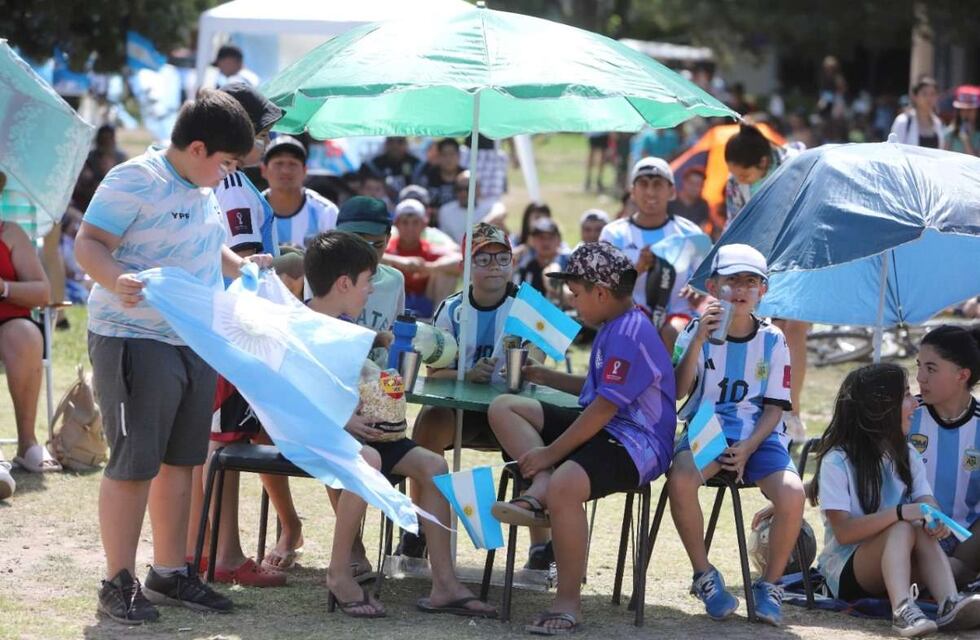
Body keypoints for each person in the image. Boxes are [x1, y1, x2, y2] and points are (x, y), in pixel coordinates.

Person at [74, 91, 263, 624]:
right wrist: (117, 279)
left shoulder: (204, 188)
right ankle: (117, 581)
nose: (228, 174)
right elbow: (87, 244)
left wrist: (246, 267)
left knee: (182, 461)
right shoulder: (135, 178)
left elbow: (207, 249)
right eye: (226, 163)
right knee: (135, 462)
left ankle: (170, 572)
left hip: (193, 339)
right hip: (134, 336)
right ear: (198, 147)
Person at [305, 230, 496, 619]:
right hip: (319, 435)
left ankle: (444, 583)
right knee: (369, 462)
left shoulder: (347, 325)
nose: (372, 289)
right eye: (366, 281)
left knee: (434, 466)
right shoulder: (305, 329)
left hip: (369, 434)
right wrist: (345, 418)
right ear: (344, 283)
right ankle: (340, 572)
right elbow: (295, 392)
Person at [487, 242, 676, 634]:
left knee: (566, 485)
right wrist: (548, 377)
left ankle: (568, 603)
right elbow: (598, 391)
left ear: (601, 292)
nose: (575, 305)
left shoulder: (629, 333)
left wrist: (549, 453)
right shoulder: (616, 325)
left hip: (638, 443)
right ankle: (542, 483)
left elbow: (606, 407)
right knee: (504, 407)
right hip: (606, 427)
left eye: (576, 295)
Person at [182, 83, 292, 587]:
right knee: (224, 442)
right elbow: (245, 263)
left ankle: (203, 548)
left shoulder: (211, 181)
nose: (269, 138)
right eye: (262, 129)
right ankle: (223, 554)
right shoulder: (234, 188)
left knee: (211, 443)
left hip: (210, 322)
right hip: (234, 324)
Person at [404, 224, 557, 567]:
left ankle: (540, 546)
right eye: (483, 258)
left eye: (502, 258)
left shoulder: (531, 305)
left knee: (534, 449)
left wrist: (523, 367)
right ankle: (421, 526)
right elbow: (435, 372)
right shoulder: (451, 309)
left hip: (513, 409)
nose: (494, 266)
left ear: (513, 261)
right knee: (427, 425)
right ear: (467, 265)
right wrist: (466, 375)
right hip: (463, 411)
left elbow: (541, 360)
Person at [669, 244, 804, 626]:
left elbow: (776, 407)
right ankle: (705, 575)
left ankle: (771, 584)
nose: (741, 289)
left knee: (793, 493)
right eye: (731, 281)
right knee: (680, 479)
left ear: (764, 289)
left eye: (750, 281)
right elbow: (679, 391)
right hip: (706, 427)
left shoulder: (774, 339)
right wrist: (696, 341)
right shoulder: (695, 330)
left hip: (758, 434)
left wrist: (748, 446)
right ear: (713, 286)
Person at [810, 363, 980, 636]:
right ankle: (903, 611)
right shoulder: (837, 460)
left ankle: (949, 603)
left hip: (894, 563)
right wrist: (902, 512)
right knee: (904, 525)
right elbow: (843, 533)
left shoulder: (908, 454)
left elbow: (926, 500)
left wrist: (933, 519)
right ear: (880, 407)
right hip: (847, 570)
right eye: (905, 395)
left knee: (917, 526)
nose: (915, 403)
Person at [724, 124, 809, 445]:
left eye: (745, 175)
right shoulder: (736, 185)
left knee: (795, 329)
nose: (739, 180)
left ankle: (792, 412)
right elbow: (734, 229)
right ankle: (760, 406)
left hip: (800, 256)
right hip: (760, 263)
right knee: (766, 334)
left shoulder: (797, 164)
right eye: (735, 175)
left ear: (763, 163)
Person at [599, 157, 707, 345]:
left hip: (678, 315)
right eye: (643, 184)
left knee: (672, 332)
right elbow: (604, 288)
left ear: (672, 191)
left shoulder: (691, 233)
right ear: (632, 191)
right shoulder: (613, 233)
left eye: (657, 184)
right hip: (630, 316)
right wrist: (638, 269)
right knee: (639, 328)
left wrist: (698, 289)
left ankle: (674, 375)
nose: (650, 191)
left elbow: (707, 281)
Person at [910, 324, 980, 589]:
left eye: (931, 368)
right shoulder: (905, 415)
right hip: (913, 534)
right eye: (918, 366)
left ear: (962, 375)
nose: (920, 377)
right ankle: (956, 581)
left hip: (969, 539)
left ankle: (955, 576)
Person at [0, 173, 56, 473]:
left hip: (8, 321)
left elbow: (42, 292)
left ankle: (27, 444)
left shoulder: (10, 233)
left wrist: (4, 288)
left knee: (26, 336)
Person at [214, 83, 283, 257]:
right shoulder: (233, 185)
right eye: (262, 135)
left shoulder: (232, 181)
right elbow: (244, 258)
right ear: (238, 135)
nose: (268, 143)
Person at [384, 198, 461, 319]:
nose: (410, 228)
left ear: (424, 225)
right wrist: (399, 261)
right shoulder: (388, 248)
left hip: (425, 302)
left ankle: (438, 323)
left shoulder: (428, 249)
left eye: (415, 222)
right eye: (405, 222)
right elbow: (371, 256)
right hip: (392, 303)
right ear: (397, 224)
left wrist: (429, 268)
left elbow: (460, 260)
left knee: (447, 274)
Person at [260, 136, 339, 248]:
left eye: (292, 164)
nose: (285, 170)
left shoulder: (326, 211)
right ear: (264, 170)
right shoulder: (252, 209)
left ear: (305, 171)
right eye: (279, 163)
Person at [437, 171, 506, 245]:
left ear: (478, 189)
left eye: (468, 188)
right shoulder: (445, 210)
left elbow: (501, 212)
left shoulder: (489, 206)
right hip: (456, 253)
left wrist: (479, 229)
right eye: (459, 189)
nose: (463, 193)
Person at [515, 217, 570, 304]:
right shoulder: (527, 268)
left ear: (559, 240)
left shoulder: (569, 264)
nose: (546, 242)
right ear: (532, 240)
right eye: (541, 237)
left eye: (550, 237)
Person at [890, 76, 944, 149]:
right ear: (915, 96)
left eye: (932, 94)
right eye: (924, 94)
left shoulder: (937, 123)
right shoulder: (903, 122)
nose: (929, 98)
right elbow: (894, 150)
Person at [360, 137, 422, 201]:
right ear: (385, 144)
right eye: (391, 142)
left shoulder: (416, 164)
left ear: (406, 144)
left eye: (400, 142)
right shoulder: (375, 164)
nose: (395, 146)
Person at [418, 138, 464, 210]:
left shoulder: (466, 178)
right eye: (444, 154)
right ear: (438, 156)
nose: (448, 159)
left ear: (459, 155)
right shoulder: (428, 176)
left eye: (452, 154)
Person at [947, 87, 980, 157]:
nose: (966, 113)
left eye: (970, 110)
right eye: (962, 109)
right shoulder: (950, 133)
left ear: (977, 111)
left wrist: (966, 141)